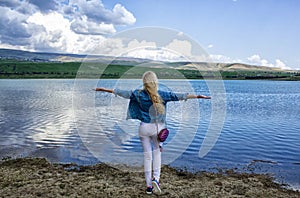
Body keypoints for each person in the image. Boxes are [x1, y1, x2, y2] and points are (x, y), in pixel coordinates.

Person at [94, 71, 211, 195]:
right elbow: (181, 96)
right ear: (156, 82)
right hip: (158, 129)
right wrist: (198, 96)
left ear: (144, 83)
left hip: (144, 128)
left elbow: (121, 92)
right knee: (157, 154)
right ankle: (156, 179)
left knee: (147, 157)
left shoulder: (138, 94)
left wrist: (102, 89)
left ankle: (149, 187)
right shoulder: (163, 95)